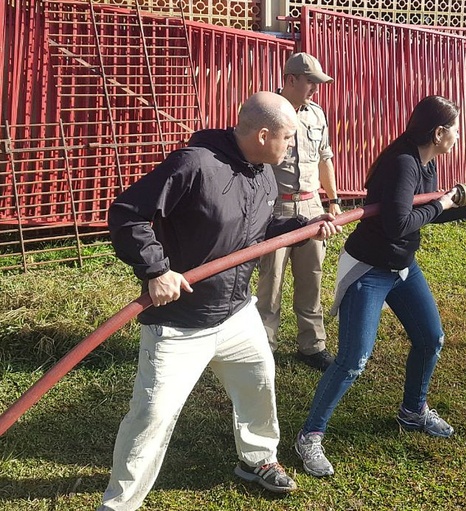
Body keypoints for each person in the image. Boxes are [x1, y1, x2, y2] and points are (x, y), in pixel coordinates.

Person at [99, 91, 341, 511]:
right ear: (264, 135)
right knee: (151, 416)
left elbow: (259, 232)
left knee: (258, 385)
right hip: (179, 323)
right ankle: (119, 503)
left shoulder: (263, 173)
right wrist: (156, 270)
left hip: (236, 313)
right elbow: (127, 215)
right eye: (287, 138)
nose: (291, 147)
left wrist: (303, 225)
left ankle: (258, 459)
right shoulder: (194, 164)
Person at [293, 95, 466, 477]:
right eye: (457, 130)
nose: (459, 136)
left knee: (431, 338)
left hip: (401, 267)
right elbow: (398, 224)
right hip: (369, 269)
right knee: (353, 360)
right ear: (439, 132)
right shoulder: (403, 163)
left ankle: (413, 411)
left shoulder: (425, 162)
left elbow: (419, 216)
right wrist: (444, 204)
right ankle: (309, 435)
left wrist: (463, 208)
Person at [256, 52, 341, 372]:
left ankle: (312, 344)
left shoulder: (316, 115)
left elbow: (325, 159)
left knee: (312, 276)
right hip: (275, 206)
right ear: (290, 80)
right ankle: (265, 345)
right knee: (271, 279)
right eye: (310, 82)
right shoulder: (267, 112)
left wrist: (332, 201)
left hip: (310, 205)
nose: (315, 89)